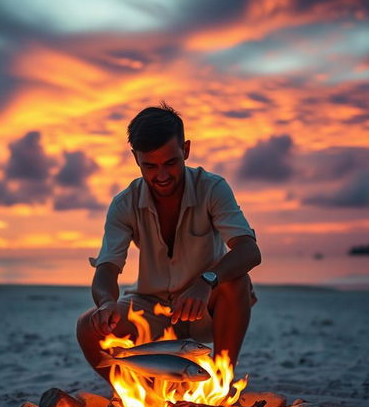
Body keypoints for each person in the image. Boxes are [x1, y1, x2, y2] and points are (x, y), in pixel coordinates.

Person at [77, 102, 261, 382]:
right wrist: (105, 303)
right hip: (149, 307)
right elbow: (107, 269)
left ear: (185, 150)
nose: (161, 176)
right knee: (88, 325)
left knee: (237, 282)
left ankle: (221, 383)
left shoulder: (212, 188)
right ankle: (143, 398)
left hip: (205, 307)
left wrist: (205, 281)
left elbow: (249, 250)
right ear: (135, 158)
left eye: (170, 163)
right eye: (150, 166)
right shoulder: (124, 204)